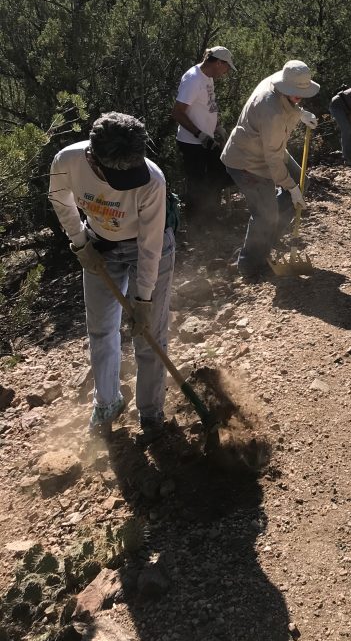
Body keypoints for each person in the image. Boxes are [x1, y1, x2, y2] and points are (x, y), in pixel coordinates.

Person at [48, 112, 175, 442]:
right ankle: (107, 403)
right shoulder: (68, 161)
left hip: (146, 247)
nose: (130, 178)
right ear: (94, 157)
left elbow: (150, 245)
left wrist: (143, 300)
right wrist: (79, 243)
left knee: (149, 333)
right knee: (101, 328)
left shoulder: (152, 180)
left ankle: (150, 412)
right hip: (99, 246)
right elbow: (60, 198)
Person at [221, 59, 319, 280]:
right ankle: (249, 265)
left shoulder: (281, 82)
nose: (299, 96)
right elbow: (273, 161)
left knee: (301, 182)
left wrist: (300, 113)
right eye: (295, 93)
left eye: (301, 93)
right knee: (265, 214)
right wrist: (291, 189)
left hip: (268, 148)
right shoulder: (271, 112)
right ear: (285, 86)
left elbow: (288, 105)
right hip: (247, 162)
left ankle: (269, 238)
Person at [172, 46, 236, 221]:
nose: (226, 72)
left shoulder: (207, 77)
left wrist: (217, 125)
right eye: (227, 67)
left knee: (217, 177)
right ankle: (196, 226)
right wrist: (199, 134)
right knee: (197, 185)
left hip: (206, 140)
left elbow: (207, 105)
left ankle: (210, 219)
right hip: (192, 143)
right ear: (218, 63)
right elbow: (177, 112)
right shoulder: (193, 80)